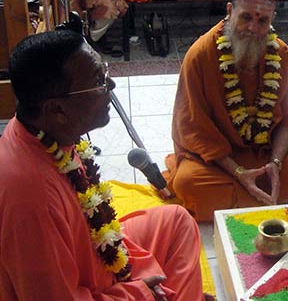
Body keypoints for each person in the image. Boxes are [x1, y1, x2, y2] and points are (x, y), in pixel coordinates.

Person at [0, 29, 205, 300]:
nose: (111, 85)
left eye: (104, 72)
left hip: (94, 255)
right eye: (98, 81)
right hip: (85, 287)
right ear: (57, 109)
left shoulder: (44, 131)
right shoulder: (31, 200)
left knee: (177, 221)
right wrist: (138, 293)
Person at [164, 0, 288, 221]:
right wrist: (239, 172)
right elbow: (192, 127)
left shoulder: (281, 54)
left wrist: (276, 163)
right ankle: (267, 195)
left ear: (271, 20)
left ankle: (253, 194)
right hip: (218, 159)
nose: (253, 28)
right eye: (246, 17)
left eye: (262, 21)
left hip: (267, 152)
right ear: (230, 11)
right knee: (188, 183)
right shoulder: (201, 54)